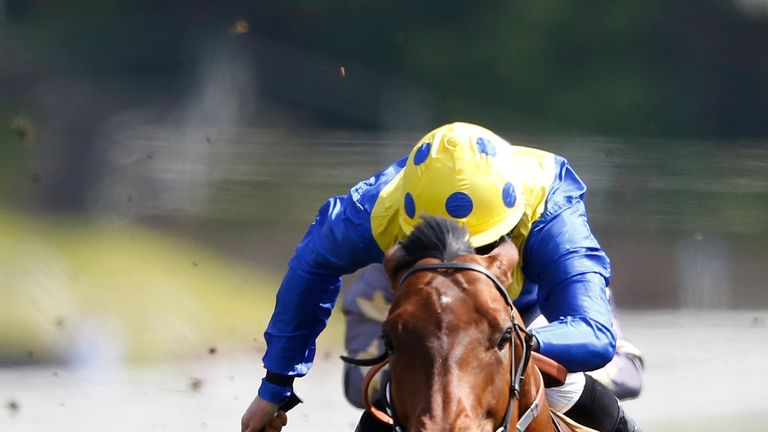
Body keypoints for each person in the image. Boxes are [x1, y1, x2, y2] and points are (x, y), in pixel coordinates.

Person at [241, 122, 640, 432]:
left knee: (579, 390)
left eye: (482, 248)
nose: (462, 266)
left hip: (521, 315)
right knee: (388, 398)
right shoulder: (372, 209)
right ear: (409, 222)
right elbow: (310, 268)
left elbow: (594, 334)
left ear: (512, 222)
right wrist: (276, 386)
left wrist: (506, 339)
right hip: (427, 323)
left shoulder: (550, 209)